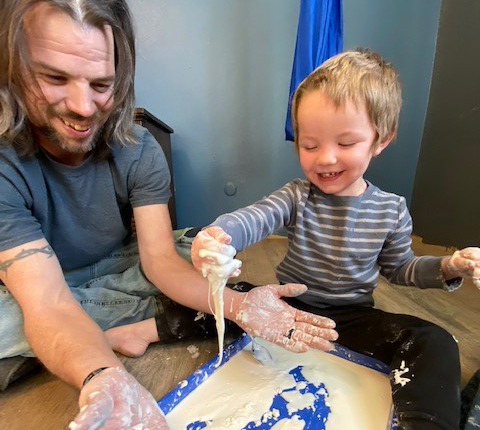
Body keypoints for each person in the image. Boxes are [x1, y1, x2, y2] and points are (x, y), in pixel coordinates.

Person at [0, 1, 339, 429]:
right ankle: (106, 337)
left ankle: (77, 340)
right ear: (14, 67)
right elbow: (47, 301)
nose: (84, 107)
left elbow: (158, 261)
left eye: (102, 84)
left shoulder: (139, 148)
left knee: (197, 257)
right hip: (32, 285)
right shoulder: (5, 164)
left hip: (122, 265)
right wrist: (102, 375)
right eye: (54, 78)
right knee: (20, 317)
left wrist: (238, 304)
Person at [192, 49, 480, 430]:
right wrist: (218, 236)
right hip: (287, 310)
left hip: (353, 319)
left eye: (345, 143)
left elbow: (402, 268)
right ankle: (147, 330)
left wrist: (447, 266)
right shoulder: (297, 195)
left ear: (381, 139)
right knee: (221, 295)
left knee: (436, 341)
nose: (325, 158)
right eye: (309, 145)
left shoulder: (391, 209)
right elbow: (257, 217)